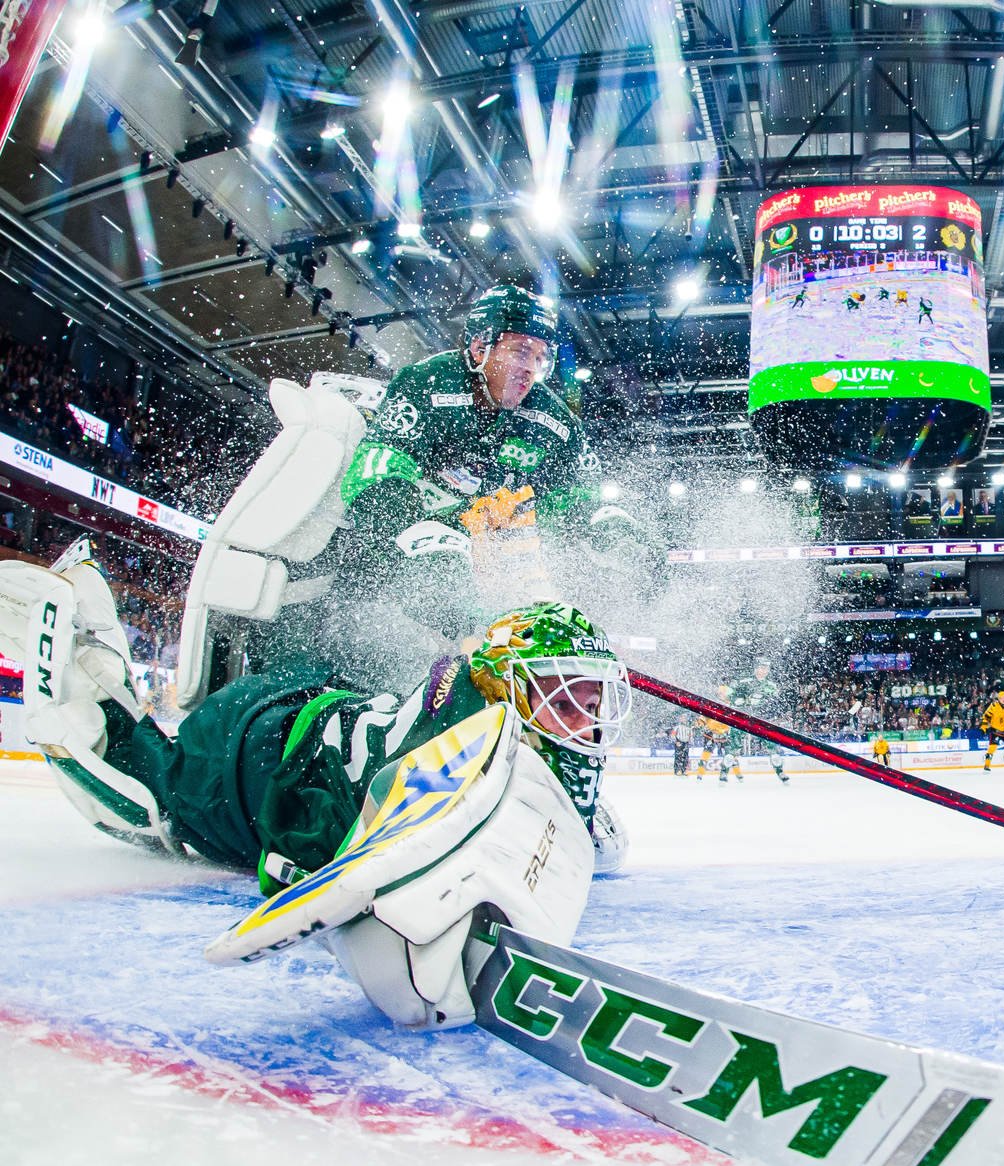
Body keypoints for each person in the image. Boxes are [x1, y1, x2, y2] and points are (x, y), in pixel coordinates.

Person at [0, 547, 631, 1030]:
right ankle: (83, 680)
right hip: (248, 757)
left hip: (302, 706)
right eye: (567, 698)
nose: (588, 721)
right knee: (157, 807)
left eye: (593, 698)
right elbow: (385, 914)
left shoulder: (491, 715)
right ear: (509, 689)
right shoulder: (465, 742)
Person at [188, 283, 656, 699]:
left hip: (486, 569)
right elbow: (377, 472)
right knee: (336, 664)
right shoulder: (425, 386)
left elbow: (586, 497)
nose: (530, 369)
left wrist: (619, 535)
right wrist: (418, 541)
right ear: (479, 348)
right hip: (389, 558)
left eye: (540, 357)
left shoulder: (555, 422)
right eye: (519, 351)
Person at [732, 659, 792, 783]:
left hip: (762, 719)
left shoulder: (771, 686)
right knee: (734, 745)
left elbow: (776, 701)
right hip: (745, 718)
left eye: (765, 669)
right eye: (760, 668)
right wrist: (740, 701)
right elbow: (735, 695)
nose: (762, 671)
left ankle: (780, 772)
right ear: (755, 669)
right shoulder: (745, 682)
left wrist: (764, 703)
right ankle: (725, 773)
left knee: (772, 749)